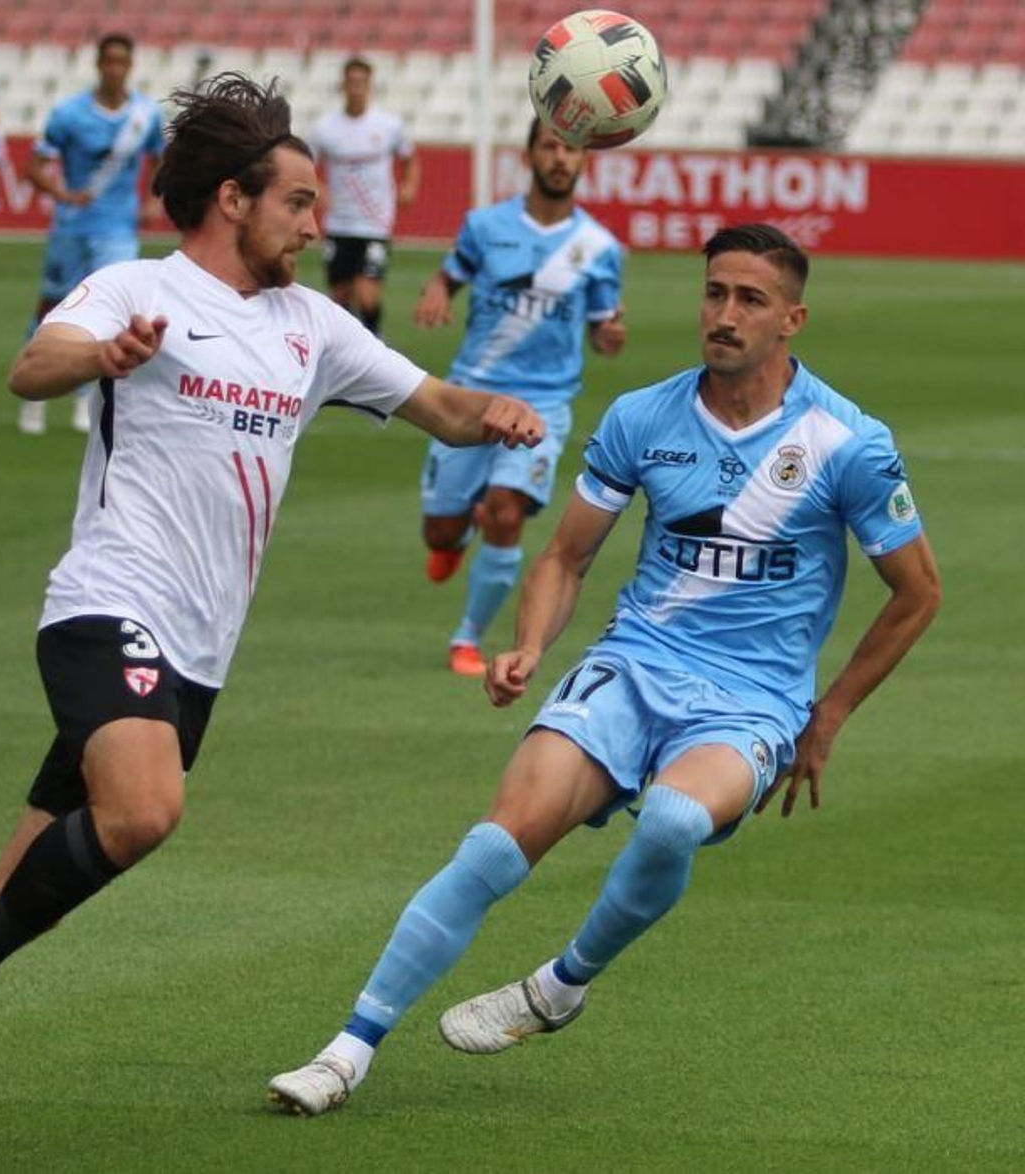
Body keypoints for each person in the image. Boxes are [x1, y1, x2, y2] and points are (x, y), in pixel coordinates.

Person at [0, 73, 547, 1151]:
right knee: (143, 814)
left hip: (198, 651)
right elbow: (31, 365)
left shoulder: (310, 327)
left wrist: (492, 413)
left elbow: (438, 406)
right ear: (233, 199)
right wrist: (107, 352)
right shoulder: (133, 285)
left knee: (7, 888)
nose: (318, 227)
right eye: (299, 204)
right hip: (106, 604)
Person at [267, 223, 942, 1117]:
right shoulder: (644, 418)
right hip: (632, 666)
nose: (725, 314)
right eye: (714, 293)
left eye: (750, 300)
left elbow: (918, 591)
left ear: (793, 320)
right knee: (495, 846)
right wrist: (532, 645)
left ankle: (560, 984)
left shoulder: (847, 441)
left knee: (669, 822)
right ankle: (347, 1050)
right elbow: (564, 559)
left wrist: (831, 715)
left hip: (752, 701)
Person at [416, 117, 626, 678]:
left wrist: (608, 337)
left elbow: (605, 326)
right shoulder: (484, 227)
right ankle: (455, 533)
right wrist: (437, 291)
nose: (561, 158)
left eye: (572, 150)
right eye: (551, 146)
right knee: (438, 531)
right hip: (470, 396)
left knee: (508, 514)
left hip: (544, 405)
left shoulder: (599, 248)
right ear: (530, 155)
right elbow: (449, 275)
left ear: (584, 163)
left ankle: (467, 638)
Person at [17, 33, 165, 436]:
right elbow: (33, 168)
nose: (115, 69)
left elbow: (160, 159)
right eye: (110, 61)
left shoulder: (145, 115)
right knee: (51, 307)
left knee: (112, 313)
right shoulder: (69, 114)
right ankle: (34, 395)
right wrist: (64, 194)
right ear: (99, 65)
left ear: (130, 66)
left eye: (123, 62)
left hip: (118, 230)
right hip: (72, 226)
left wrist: (153, 198)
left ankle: (86, 398)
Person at [305, 57, 420, 337]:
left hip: (374, 223)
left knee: (367, 295)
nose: (356, 88)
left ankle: (374, 344)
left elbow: (410, 158)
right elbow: (303, 165)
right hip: (339, 223)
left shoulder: (389, 125)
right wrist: (317, 189)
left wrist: (409, 185)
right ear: (342, 85)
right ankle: (345, 355)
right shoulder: (323, 127)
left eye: (362, 82)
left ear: (370, 85)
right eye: (351, 82)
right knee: (341, 297)